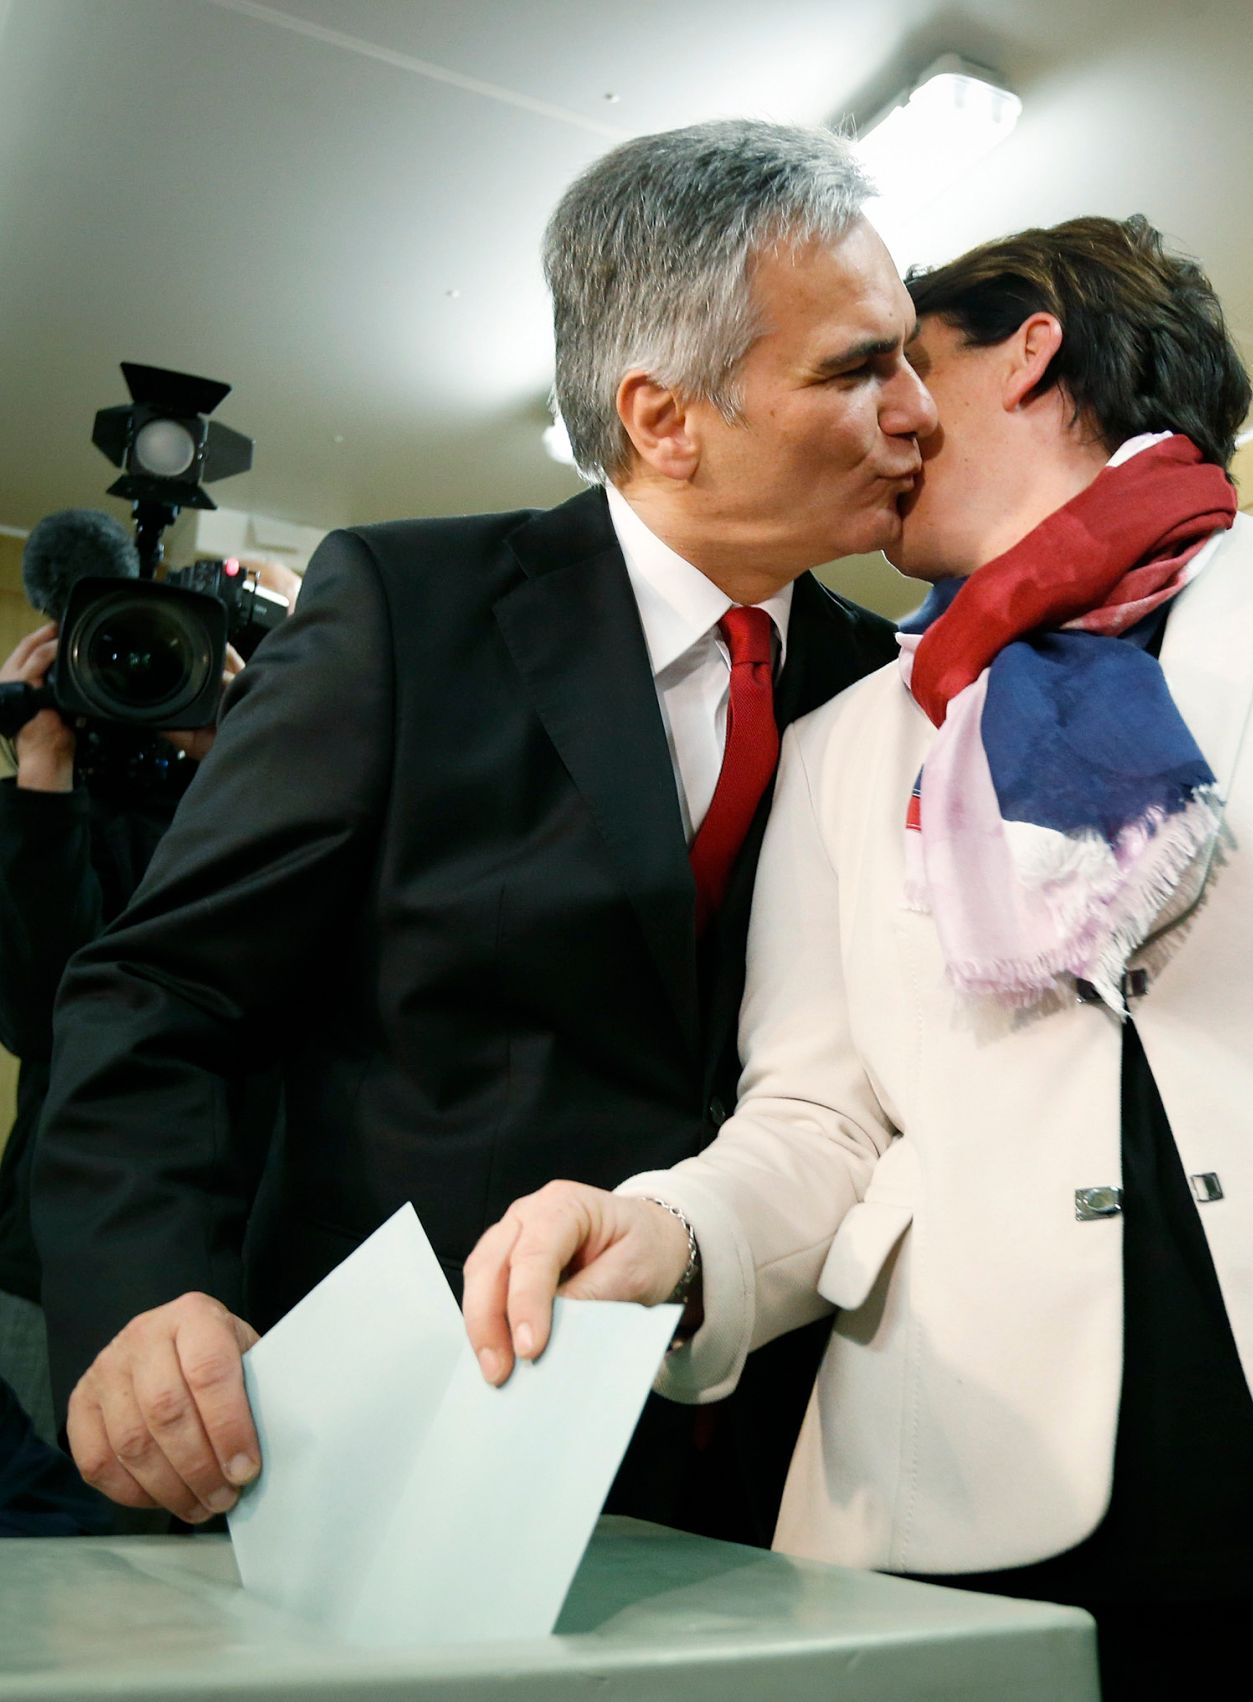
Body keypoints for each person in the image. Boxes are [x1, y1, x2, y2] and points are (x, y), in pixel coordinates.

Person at [464, 216, 1253, 1700]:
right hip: (975, 1516)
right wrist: (674, 1232)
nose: (884, 416)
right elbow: (814, 1123)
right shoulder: (845, 740)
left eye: (909, 363)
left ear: (1033, 348)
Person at [32, 120, 932, 1537]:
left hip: (776, 1464)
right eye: (858, 367)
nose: (919, 409)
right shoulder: (410, 609)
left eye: (916, 355)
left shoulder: (896, 691)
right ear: (664, 417)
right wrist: (144, 1298)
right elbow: (162, 989)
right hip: (399, 1455)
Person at [0, 553, 298, 1449]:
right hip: (56, 1258)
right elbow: (37, 1013)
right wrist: (42, 771)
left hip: (259, 1261)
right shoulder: (76, 812)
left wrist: (259, 751)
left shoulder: (288, 808)